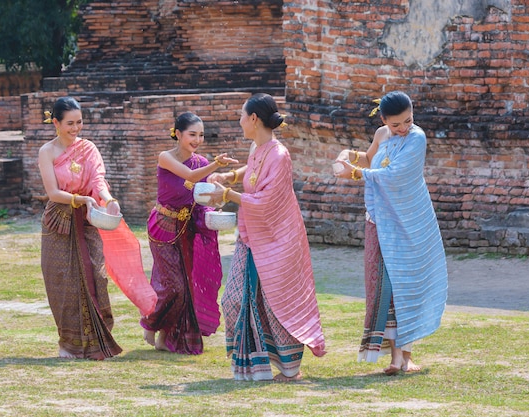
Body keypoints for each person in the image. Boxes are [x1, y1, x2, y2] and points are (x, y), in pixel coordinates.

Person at [207, 93, 326, 381]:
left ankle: (289, 369)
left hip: (279, 240)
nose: (239, 121)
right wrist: (230, 177)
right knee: (234, 299)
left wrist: (227, 195)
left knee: (277, 303)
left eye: (241, 116)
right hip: (251, 236)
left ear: (254, 119)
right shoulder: (257, 148)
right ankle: (253, 364)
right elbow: (252, 170)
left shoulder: (280, 154)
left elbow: (268, 200)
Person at [334, 91, 448, 375]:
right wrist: (348, 155)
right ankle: (396, 357)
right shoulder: (382, 134)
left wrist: (358, 174)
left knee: (405, 282)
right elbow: (370, 159)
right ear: (384, 120)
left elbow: (395, 175)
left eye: (408, 120)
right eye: (396, 124)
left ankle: (403, 357)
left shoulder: (416, 138)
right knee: (383, 284)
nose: (403, 128)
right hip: (378, 219)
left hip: (409, 221)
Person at [38, 96, 132, 360]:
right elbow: (53, 192)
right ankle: (68, 342)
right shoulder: (47, 151)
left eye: (79, 122)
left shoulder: (89, 148)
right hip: (58, 221)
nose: (75, 128)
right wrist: (79, 199)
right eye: (69, 123)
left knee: (96, 277)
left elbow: (97, 179)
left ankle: (98, 339)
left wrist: (109, 199)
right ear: (55, 123)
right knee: (63, 281)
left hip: (88, 219)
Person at [140, 112, 237, 354]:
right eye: (192, 134)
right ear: (178, 133)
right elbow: (191, 177)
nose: (197, 139)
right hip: (162, 226)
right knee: (173, 286)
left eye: (201, 135)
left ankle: (165, 338)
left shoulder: (202, 162)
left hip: (188, 228)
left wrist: (215, 205)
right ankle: (150, 323)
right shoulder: (166, 157)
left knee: (185, 286)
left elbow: (201, 197)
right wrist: (217, 164)